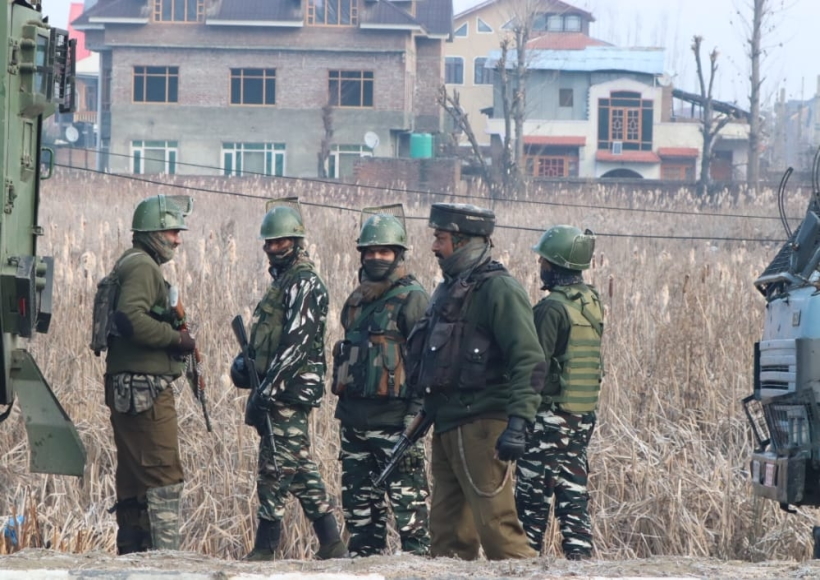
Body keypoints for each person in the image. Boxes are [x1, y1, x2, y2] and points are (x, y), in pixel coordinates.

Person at [404, 202, 546, 561]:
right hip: (448, 424)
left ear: (465, 241)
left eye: (442, 238)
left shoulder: (500, 290)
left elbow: (528, 360)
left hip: (483, 426)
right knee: (448, 537)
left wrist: (518, 423)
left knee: (498, 531)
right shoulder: (449, 290)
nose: (435, 246)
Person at [230, 199, 348, 561]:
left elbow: (296, 348)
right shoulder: (283, 283)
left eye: (280, 242)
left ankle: (266, 548)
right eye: (268, 242)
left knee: (274, 467)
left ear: (295, 242)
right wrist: (242, 366)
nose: (272, 248)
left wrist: (268, 391)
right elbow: (268, 341)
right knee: (298, 466)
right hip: (278, 388)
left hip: (290, 391)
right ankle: (332, 543)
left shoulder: (306, 284)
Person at [331, 207, 431, 558]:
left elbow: (425, 366)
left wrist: (414, 419)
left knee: (412, 522)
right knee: (360, 524)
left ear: (398, 254)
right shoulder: (358, 299)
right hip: (354, 423)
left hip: (395, 426)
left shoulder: (413, 298)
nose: (375, 257)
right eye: (369, 251)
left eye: (384, 251)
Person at [103, 194, 195, 554]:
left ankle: (134, 560)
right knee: (163, 479)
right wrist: (177, 339)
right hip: (145, 390)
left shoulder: (133, 262)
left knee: (134, 481)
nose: (177, 239)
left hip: (130, 386)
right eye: (173, 231)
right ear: (154, 231)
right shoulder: (142, 266)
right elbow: (130, 319)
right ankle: (165, 564)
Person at [514, 225, 604, 560]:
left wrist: (518, 417)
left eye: (544, 261)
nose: (541, 266)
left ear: (554, 265)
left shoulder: (551, 309)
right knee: (573, 496)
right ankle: (580, 564)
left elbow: (534, 367)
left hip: (548, 421)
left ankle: (525, 566)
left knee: (531, 505)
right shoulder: (591, 302)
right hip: (580, 417)